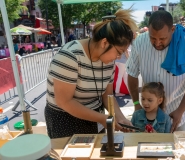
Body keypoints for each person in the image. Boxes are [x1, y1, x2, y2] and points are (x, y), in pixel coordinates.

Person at [44, 8, 138, 139]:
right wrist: (102, 118)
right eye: (119, 52)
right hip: (65, 118)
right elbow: (64, 101)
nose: (119, 57)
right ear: (104, 43)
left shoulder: (108, 61)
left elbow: (108, 95)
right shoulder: (70, 56)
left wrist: (121, 119)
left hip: (95, 117)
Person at [126, 10, 185, 132]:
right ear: (148, 30)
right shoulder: (139, 42)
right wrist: (135, 103)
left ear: (172, 30)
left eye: (163, 38)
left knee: (176, 151)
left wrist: (180, 110)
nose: (158, 43)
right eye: (153, 38)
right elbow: (132, 73)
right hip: (147, 117)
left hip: (176, 114)